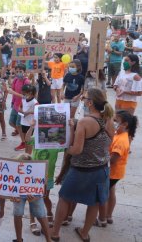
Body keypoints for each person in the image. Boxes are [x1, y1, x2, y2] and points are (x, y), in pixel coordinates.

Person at [51, 88, 115, 242]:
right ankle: (84, 233)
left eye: (84, 98)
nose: (83, 100)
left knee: (64, 198)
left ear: (90, 102)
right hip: (101, 169)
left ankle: (55, 233)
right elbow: (108, 142)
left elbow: (77, 150)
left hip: (81, 169)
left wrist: (66, 146)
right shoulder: (109, 120)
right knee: (93, 202)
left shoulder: (85, 121)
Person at [96, 110, 137, 226]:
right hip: (116, 172)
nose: (112, 122)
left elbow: (113, 160)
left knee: (102, 195)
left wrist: (100, 158)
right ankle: (108, 216)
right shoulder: (120, 135)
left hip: (112, 172)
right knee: (111, 192)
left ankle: (102, 218)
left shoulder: (121, 140)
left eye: (115, 120)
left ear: (124, 124)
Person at [25, 120, 64, 231]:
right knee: (32, 198)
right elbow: (27, 139)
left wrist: (68, 127)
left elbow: (67, 144)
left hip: (48, 176)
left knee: (45, 197)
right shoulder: (36, 139)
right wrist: (31, 127)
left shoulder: (57, 142)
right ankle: (32, 220)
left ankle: (49, 212)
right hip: (34, 176)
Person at [11, 153, 51, 242]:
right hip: (18, 194)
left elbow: (43, 191)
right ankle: (19, 239)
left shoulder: (40, 173)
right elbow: (7, 186)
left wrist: (36, 198)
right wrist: (11, 196)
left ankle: (49, 239)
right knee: (17, 213)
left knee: (41, 214)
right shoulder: (13, 173)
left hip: (34, 194)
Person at [7, 64, 30, 150]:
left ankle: (23, 142)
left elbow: (26, 96)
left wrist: (13, 93)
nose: (18, 73)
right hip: (15, 105)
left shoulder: (26, 82)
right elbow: (12, 89)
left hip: (23, 107)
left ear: (24, 72)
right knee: (11, 122)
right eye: (17, 71)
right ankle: (21, 133)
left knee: (18, 124)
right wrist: (12, 102)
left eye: (20, 71)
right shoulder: (16, 80)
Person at [19, 85, 38, 153]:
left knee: (29, 142)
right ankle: (26, 154)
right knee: (25, 141)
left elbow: (37, 111)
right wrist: (20, 110)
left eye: (24, 93)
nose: (23, 94)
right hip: (23, 122)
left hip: (30, 124)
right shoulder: (23, 99)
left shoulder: (34, 102)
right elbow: (20, 106)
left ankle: (29, 156)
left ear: (30, 93)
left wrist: (29, 112)